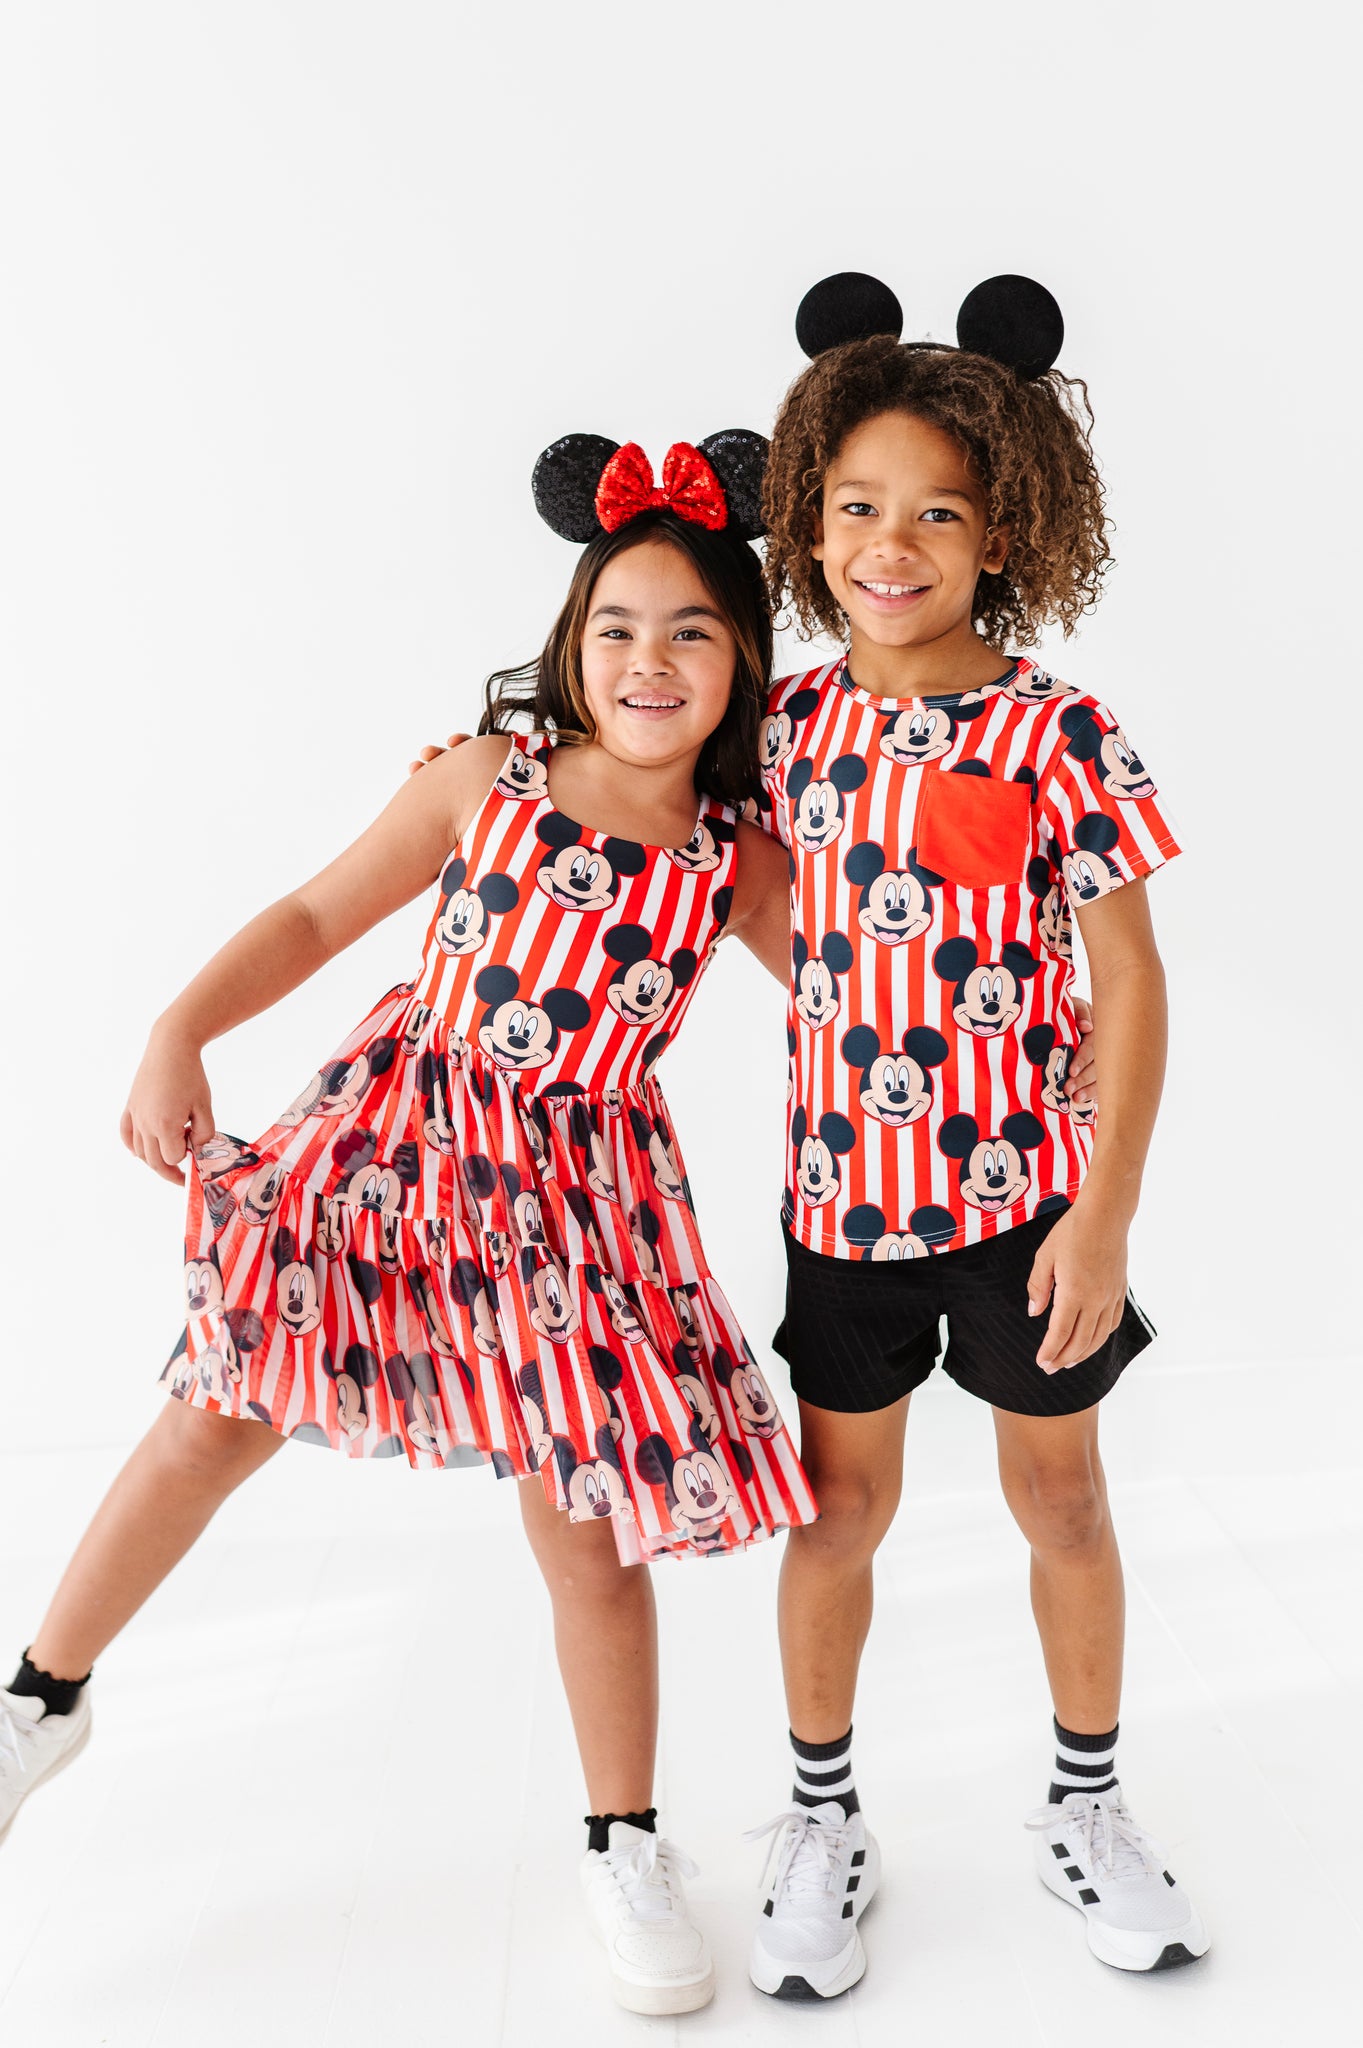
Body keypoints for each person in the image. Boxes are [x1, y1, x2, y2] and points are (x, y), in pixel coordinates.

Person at [0, 426, 816, 2017]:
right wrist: (179, 1029)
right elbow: (317, 912)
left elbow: (860, 1003)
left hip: (578, 1211)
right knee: (211, 1416)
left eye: (692, 633)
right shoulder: (484, 780)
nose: (650, 662)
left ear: (743, 666)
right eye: (617, 628)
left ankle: (624, 1842)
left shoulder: (738, 862)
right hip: (392, 1149)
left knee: (585, 1526)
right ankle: (39, 1698)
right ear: (572, 644)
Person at [739, 271, 1207, 1995]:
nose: (895, 542)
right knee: (836, 1512)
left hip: (1029, 1214)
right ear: (807, 522)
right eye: (859, 505)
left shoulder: (1058, 730)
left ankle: (1089, 1803)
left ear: (1005, 530)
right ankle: (820, 1818)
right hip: (842, 1210)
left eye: (939, 511)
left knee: (1060, 1500)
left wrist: (1105, 1212)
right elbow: (741, 886)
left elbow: (1131, 977)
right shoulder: (780, 725)